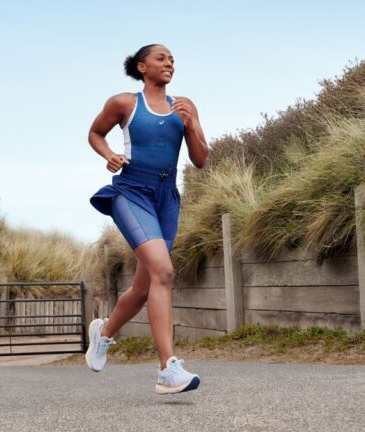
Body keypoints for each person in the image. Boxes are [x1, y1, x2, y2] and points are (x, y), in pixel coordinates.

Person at [85, 44, 208, 395]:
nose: (169, 63)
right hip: (132, 192)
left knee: (143, 288)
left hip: (167, 199)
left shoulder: (184, 106)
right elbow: (95, 133)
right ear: (142, 67)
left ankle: (104, 332)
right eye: (161, 58)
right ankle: (168, 368)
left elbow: (200, 159)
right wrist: (109, 154)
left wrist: (194, 123)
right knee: (164, 272)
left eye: (172, 59)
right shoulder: (124, 103)